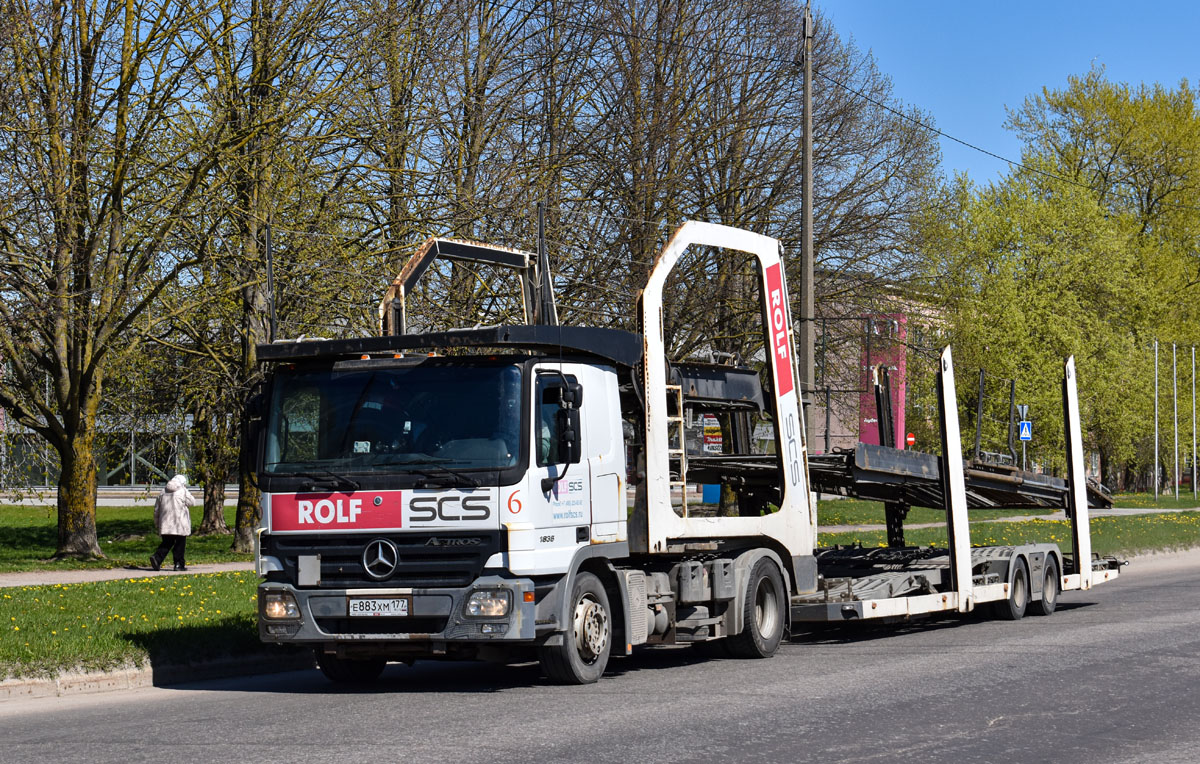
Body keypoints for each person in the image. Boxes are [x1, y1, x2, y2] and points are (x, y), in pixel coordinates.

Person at [150, 474, 197, 572]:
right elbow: (192, 502)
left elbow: (156, 510)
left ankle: (157, 558)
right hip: (180, 523)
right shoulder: (183, 491)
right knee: (180, 545)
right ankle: (178, 564)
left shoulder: (162, 492)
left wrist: (157, 524)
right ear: (183, 483)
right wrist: (186, 490)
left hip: (165, 524)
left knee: (166, 543)